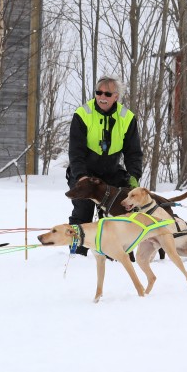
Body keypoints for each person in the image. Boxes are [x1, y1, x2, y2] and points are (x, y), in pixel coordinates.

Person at [67, 76, 143, 255]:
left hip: (111, 170)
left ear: (116, 96)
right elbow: (75, 151)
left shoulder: (127, 117)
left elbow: (133, 153)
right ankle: (77, 250)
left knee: (123, 206)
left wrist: (133, 177)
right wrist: (81, 177)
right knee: (83, 209)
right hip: (84, 170)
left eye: (107, 93)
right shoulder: (82, 114)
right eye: (98, 92)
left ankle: (120, 251)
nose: (102, 96)